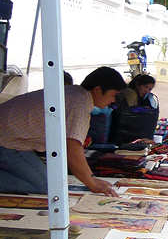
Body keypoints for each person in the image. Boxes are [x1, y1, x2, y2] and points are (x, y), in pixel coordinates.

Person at [0, 67, 125, 195]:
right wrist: (91, 182)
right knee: (48, 187)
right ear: (98, 90)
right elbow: (73, 149)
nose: (113, 100)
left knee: (51, 181)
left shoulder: (74, 94)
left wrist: (89, 179)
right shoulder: (80, 102)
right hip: (6, 141)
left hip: (10, 139)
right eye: (113, 95)